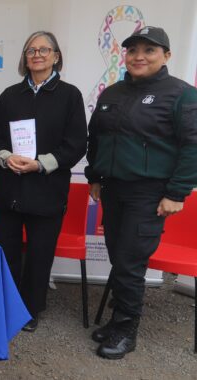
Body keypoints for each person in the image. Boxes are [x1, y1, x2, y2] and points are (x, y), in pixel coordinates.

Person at [85, 26, 197, 359]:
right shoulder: (113, 93)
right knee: (120, 257)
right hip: (113, 189)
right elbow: (98, 139)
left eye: (149, 50)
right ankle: (119, 320)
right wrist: (94, 177)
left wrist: (177, 193)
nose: (139, 56)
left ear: (166, 55)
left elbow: (193, 146)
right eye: (133, 50)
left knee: (131, 262)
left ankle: (125, 330)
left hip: (149, 194)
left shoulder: (182, 95)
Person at [0, 31, 87, 332]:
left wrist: (41, 164)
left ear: (56, 56)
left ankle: (30, 310)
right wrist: (5, 157)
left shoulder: (70, 95)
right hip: (9, 189)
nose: (37, 55)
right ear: (24, 58)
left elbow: (76, 144)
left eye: (45, 49)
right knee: (6, 251)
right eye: (31, 50)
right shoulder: (9, 95)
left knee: (40, 255)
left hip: (47, 190)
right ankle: (4, 304)